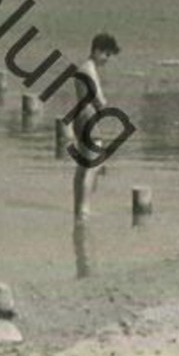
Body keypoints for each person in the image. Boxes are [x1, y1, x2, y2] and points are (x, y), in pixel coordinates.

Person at [71, 32, 121, 219]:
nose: (108, 59)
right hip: (89, 118)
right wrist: (104, 103)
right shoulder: (90, 70)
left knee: (83, 166)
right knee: (92, 166)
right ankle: (84, 210)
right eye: (107, 54)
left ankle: (78, 209)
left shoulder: (82, 67)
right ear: (97, 50)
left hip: (80, 117)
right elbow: (99, 99)